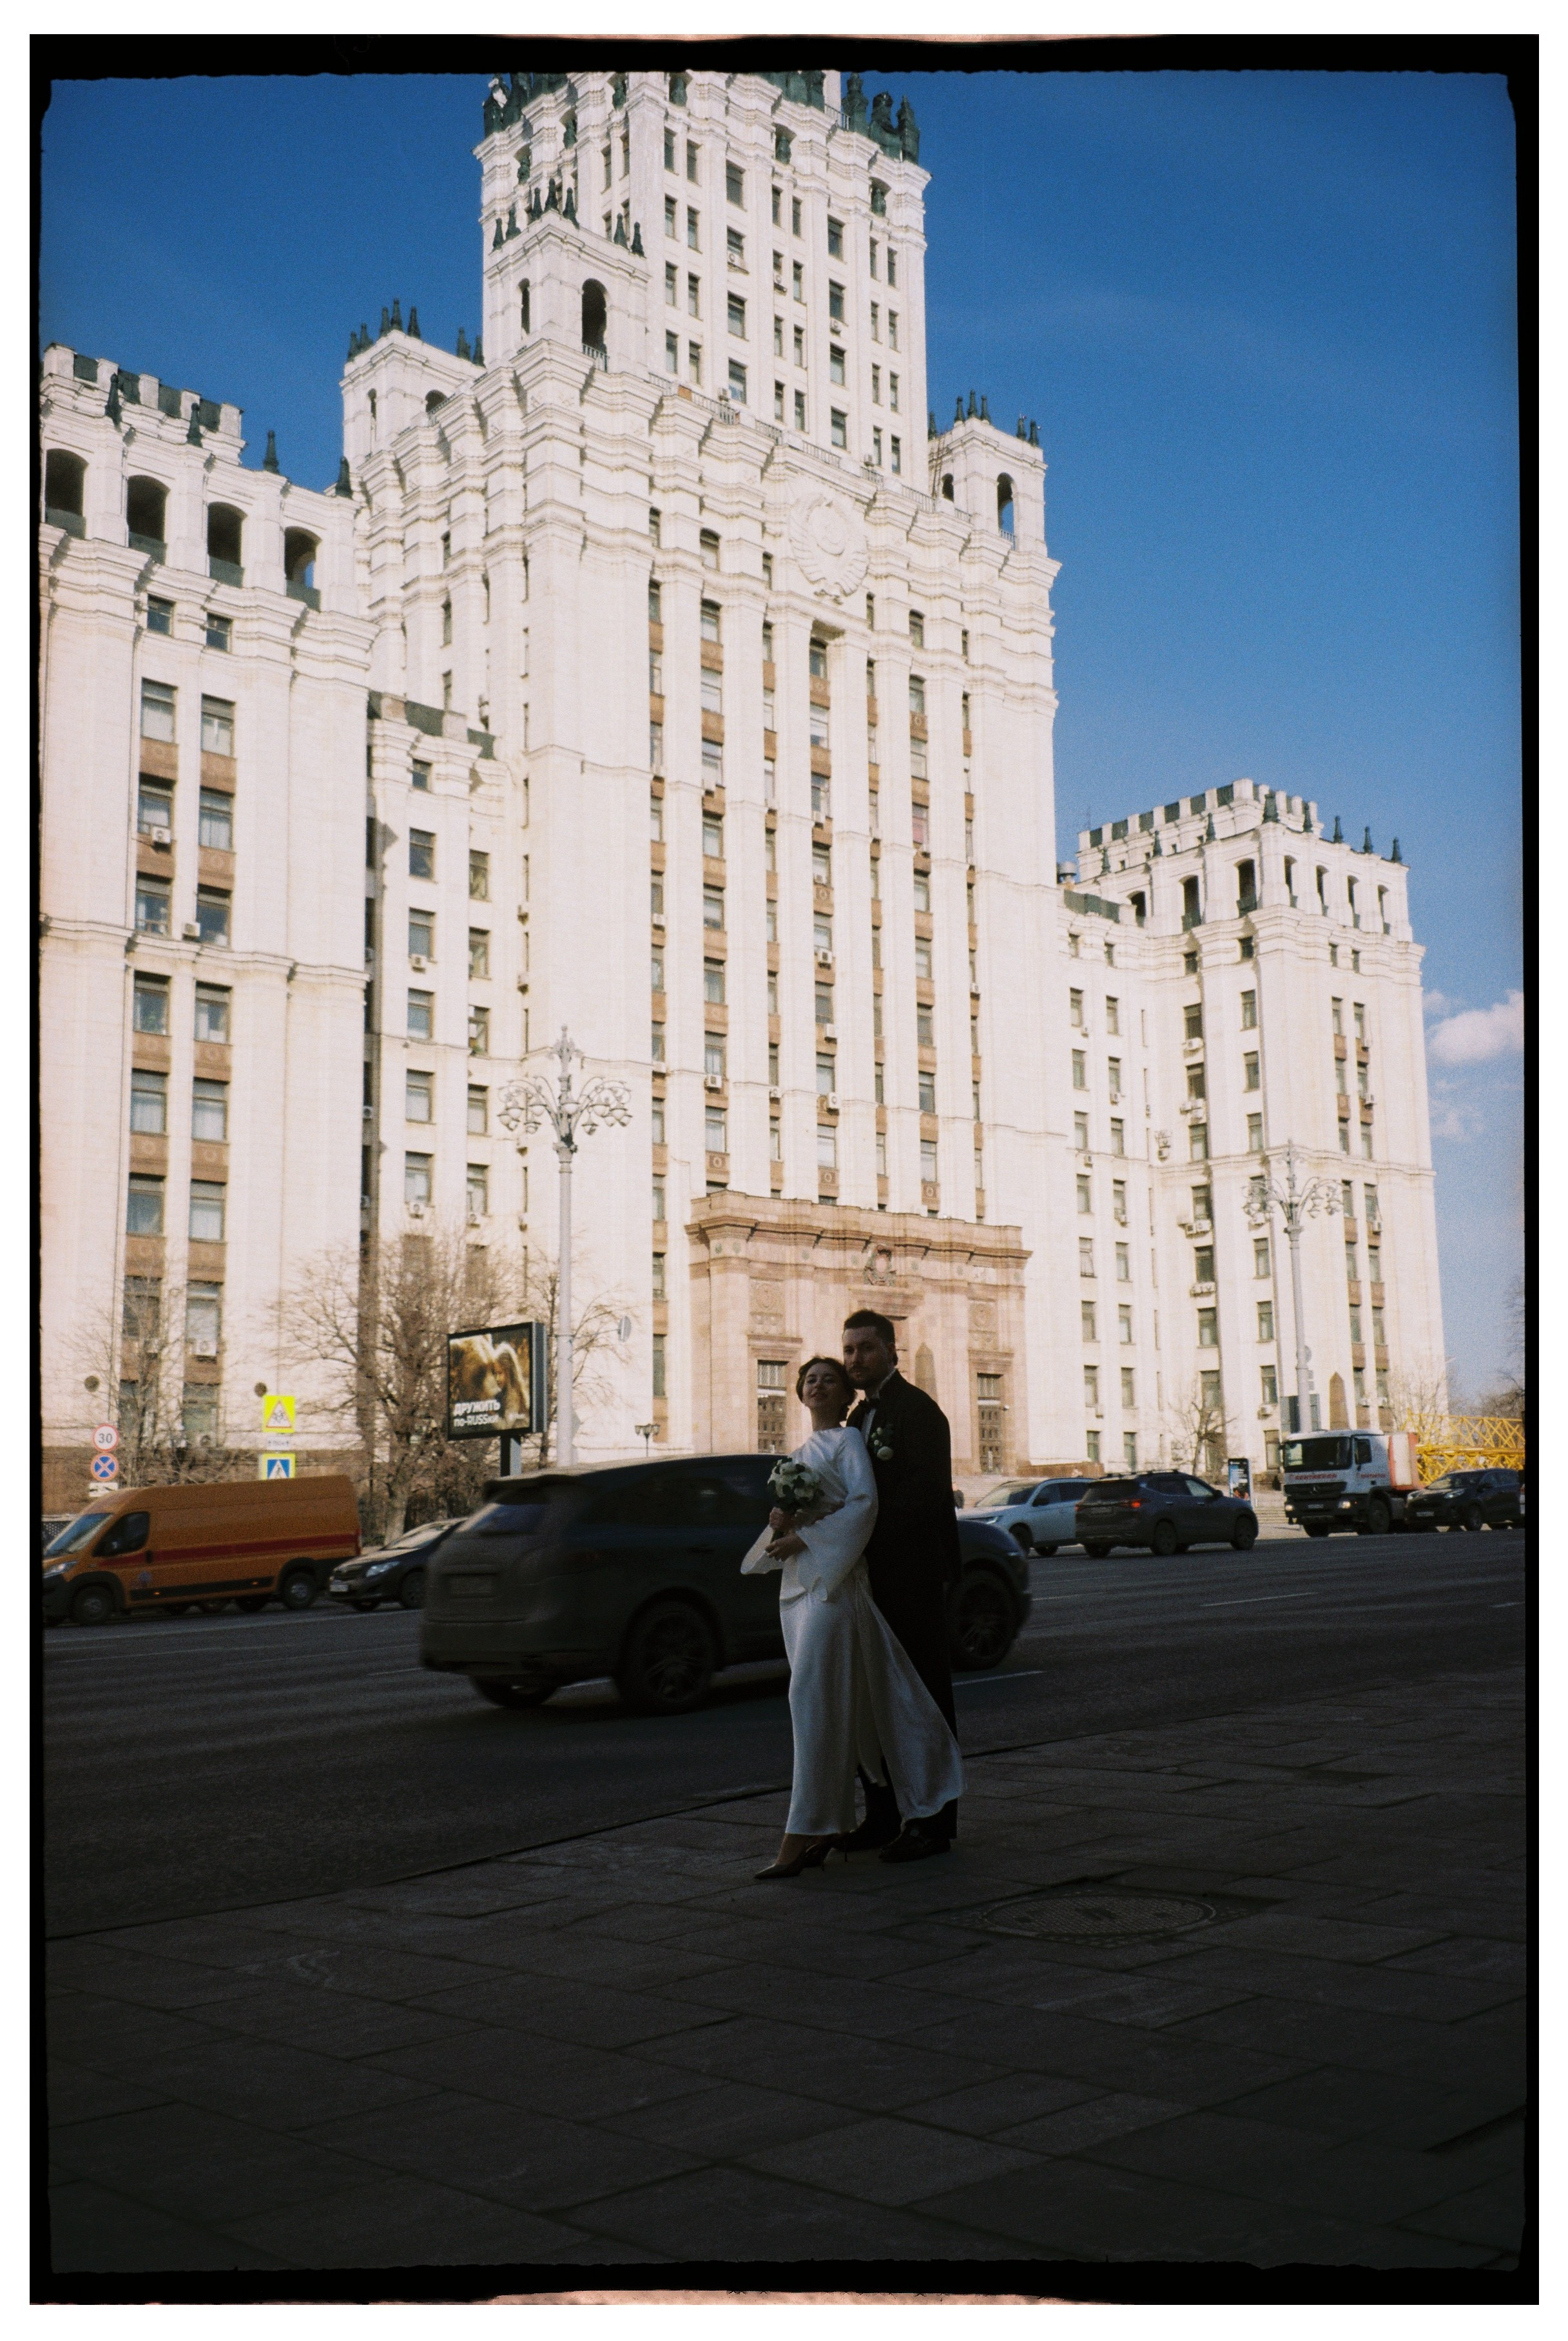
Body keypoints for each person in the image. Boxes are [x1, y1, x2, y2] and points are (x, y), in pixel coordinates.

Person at [742, 1355, 963, 1880]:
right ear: (799, 1393)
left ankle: (803, 1831)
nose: (818, 1386)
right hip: (800, 1587)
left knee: (813, 1703)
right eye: (810, 1380)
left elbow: (864, 1505)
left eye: (829, 1380)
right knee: (834, 1706)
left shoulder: (848, 1443)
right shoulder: (797, 1453)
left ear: (847, 1398)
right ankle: (842, 1819)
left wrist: (808, 1536)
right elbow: (806, 1514)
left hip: (835, 1588)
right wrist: (782, 1522)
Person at [840, 1309, 963, 1860]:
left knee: (921, 1700)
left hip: (911, 1577)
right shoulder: (855, 1421)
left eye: (866, 1349)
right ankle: (884, 1813)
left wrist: (859, 1531)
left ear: (892, 1350)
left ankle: (934, 1822)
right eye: (848, 1351)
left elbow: (926, 1495)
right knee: (874, 1700)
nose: (854, 1361)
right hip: (868, 1580)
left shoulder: (919, 1412)